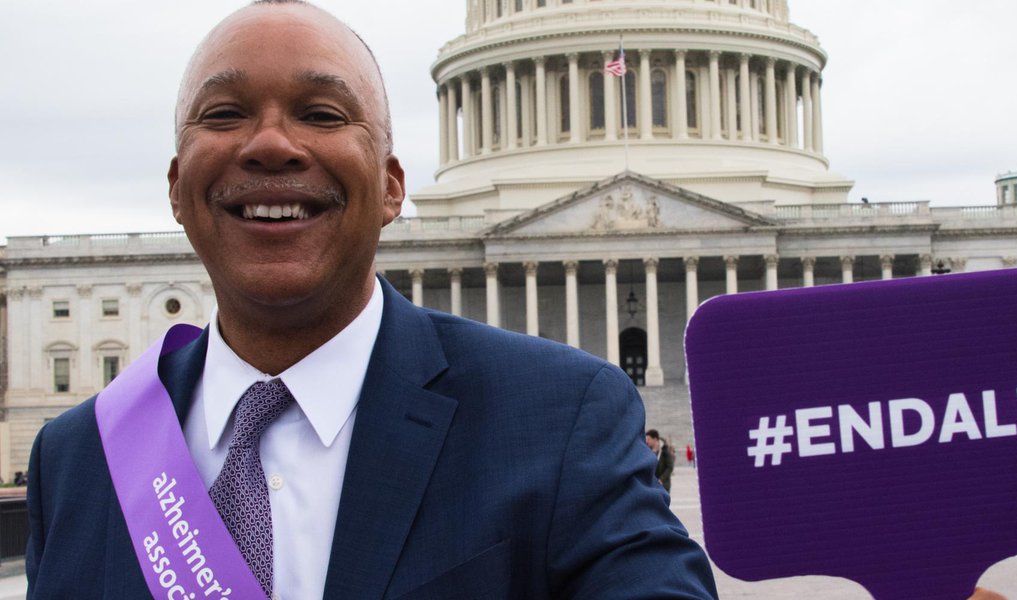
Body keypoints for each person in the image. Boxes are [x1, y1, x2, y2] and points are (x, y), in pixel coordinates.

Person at [23, 2, 717, 598]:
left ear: (391, 187)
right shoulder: (79, 457)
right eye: (226, 113)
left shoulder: (560, 417)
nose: (271, 145)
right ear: (177, 188)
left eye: (321, 113)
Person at [645, 429, 674, 493]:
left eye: (649, 439)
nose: (647, 441)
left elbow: (670, 467)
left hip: (663, 485)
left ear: (655, 439)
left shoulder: (665, 450)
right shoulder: (647, 450)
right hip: (650, 484)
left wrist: (661, 479)